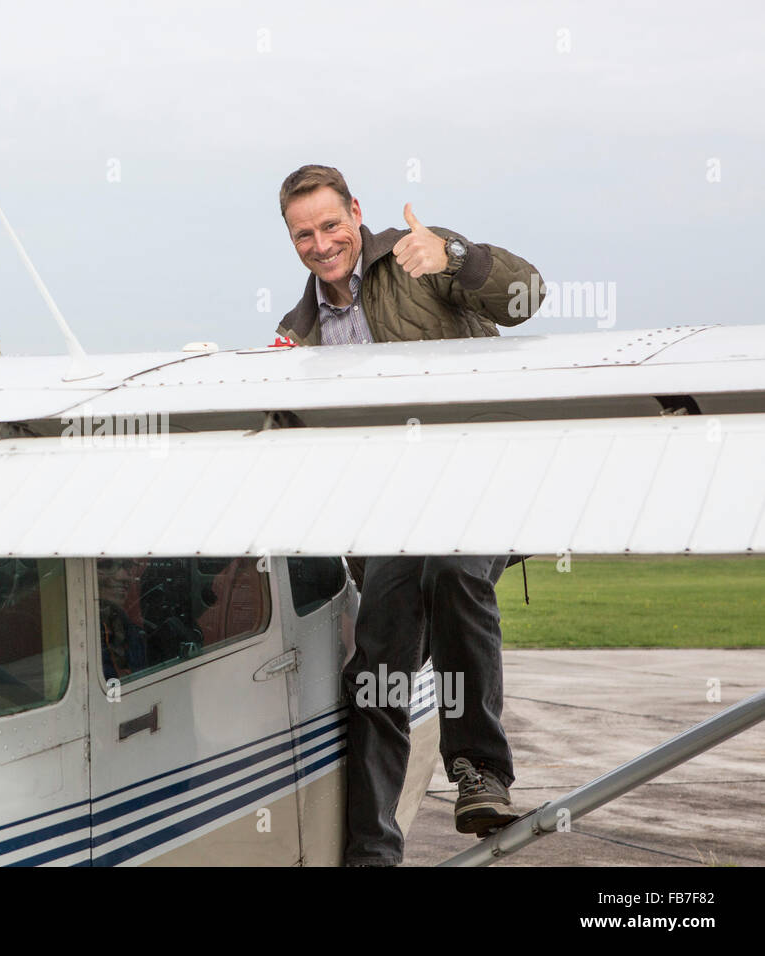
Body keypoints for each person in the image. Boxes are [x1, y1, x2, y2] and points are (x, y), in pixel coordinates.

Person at [275, 164, 545, 866]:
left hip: (479, 480)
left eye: (331, 224)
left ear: (356, 213)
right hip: (393, 515)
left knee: (455, 572)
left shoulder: (418, 255)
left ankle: (479, 770)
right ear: (291, 240)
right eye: (304, 233)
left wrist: (459, 257)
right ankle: (373, 851)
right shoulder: (294, 336)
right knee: (376, 671)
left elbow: (527, 297)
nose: (321, 242)